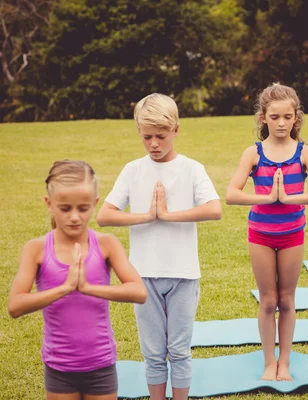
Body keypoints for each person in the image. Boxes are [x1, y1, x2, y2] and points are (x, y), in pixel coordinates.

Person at [96, 93, 222, 400]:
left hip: (183, 274)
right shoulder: (133, 170)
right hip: (143, 276)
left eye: (161, 136)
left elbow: (214, 209)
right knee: (152, 352)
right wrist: (146, 216)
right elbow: (104, 216)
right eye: (147, 137)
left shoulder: (192, 168)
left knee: (179, 351)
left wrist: (167, 215)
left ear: (176, 130)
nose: (154, 144)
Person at [8, 160, 147, 400]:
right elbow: (15, 306)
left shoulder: (106, 244)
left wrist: (89, 288)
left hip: (101, 364)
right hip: (59, 367)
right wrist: (65, 288)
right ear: (49, 204)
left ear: (95, 203)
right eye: (65, 208)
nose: (74, 217)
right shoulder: (36, 249)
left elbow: (139, 292)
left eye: (83, 208)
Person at [225, 83, 308, 381]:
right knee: (268, 300)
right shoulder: (254, 153)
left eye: (287, 117)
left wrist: (290, 198)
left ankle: (285, 361)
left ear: (296, 117)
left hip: (292, 233)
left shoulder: (304, 152)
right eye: (275, 117)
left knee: (287, 299)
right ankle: (269, 362)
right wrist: (267, 198)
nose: (281, 123)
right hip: (261, 234)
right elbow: (232, 194)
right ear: (263, 118)